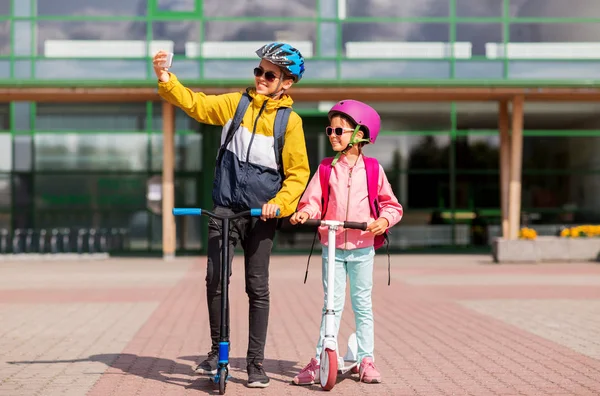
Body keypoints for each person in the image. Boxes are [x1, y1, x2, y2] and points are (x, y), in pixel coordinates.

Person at [152, 42, 310, 388]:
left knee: (257, 287)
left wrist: (279, 204)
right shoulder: (236, 104)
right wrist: (166, 78)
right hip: (224, 207)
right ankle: (215, 351)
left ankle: (255, 364)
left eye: (269, 74)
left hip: (262, 215)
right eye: (259, 71)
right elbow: (197, 104)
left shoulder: (290, 122)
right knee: (215, 280)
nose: (261, 78)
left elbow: (298, 174)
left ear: (287, 83)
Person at [289, 100, 403, 385]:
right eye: (330, 130)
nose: (333, 135)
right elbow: (312, 200)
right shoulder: (327, 168)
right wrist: (305, 212)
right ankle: (319, 359)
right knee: (331, 304)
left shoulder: (373, 169)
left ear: (360, 134)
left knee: (362, 304)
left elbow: (392, 205)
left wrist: (384, 221)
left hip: (363, 248)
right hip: (332, 246)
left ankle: (366, 358)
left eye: (339, 130)